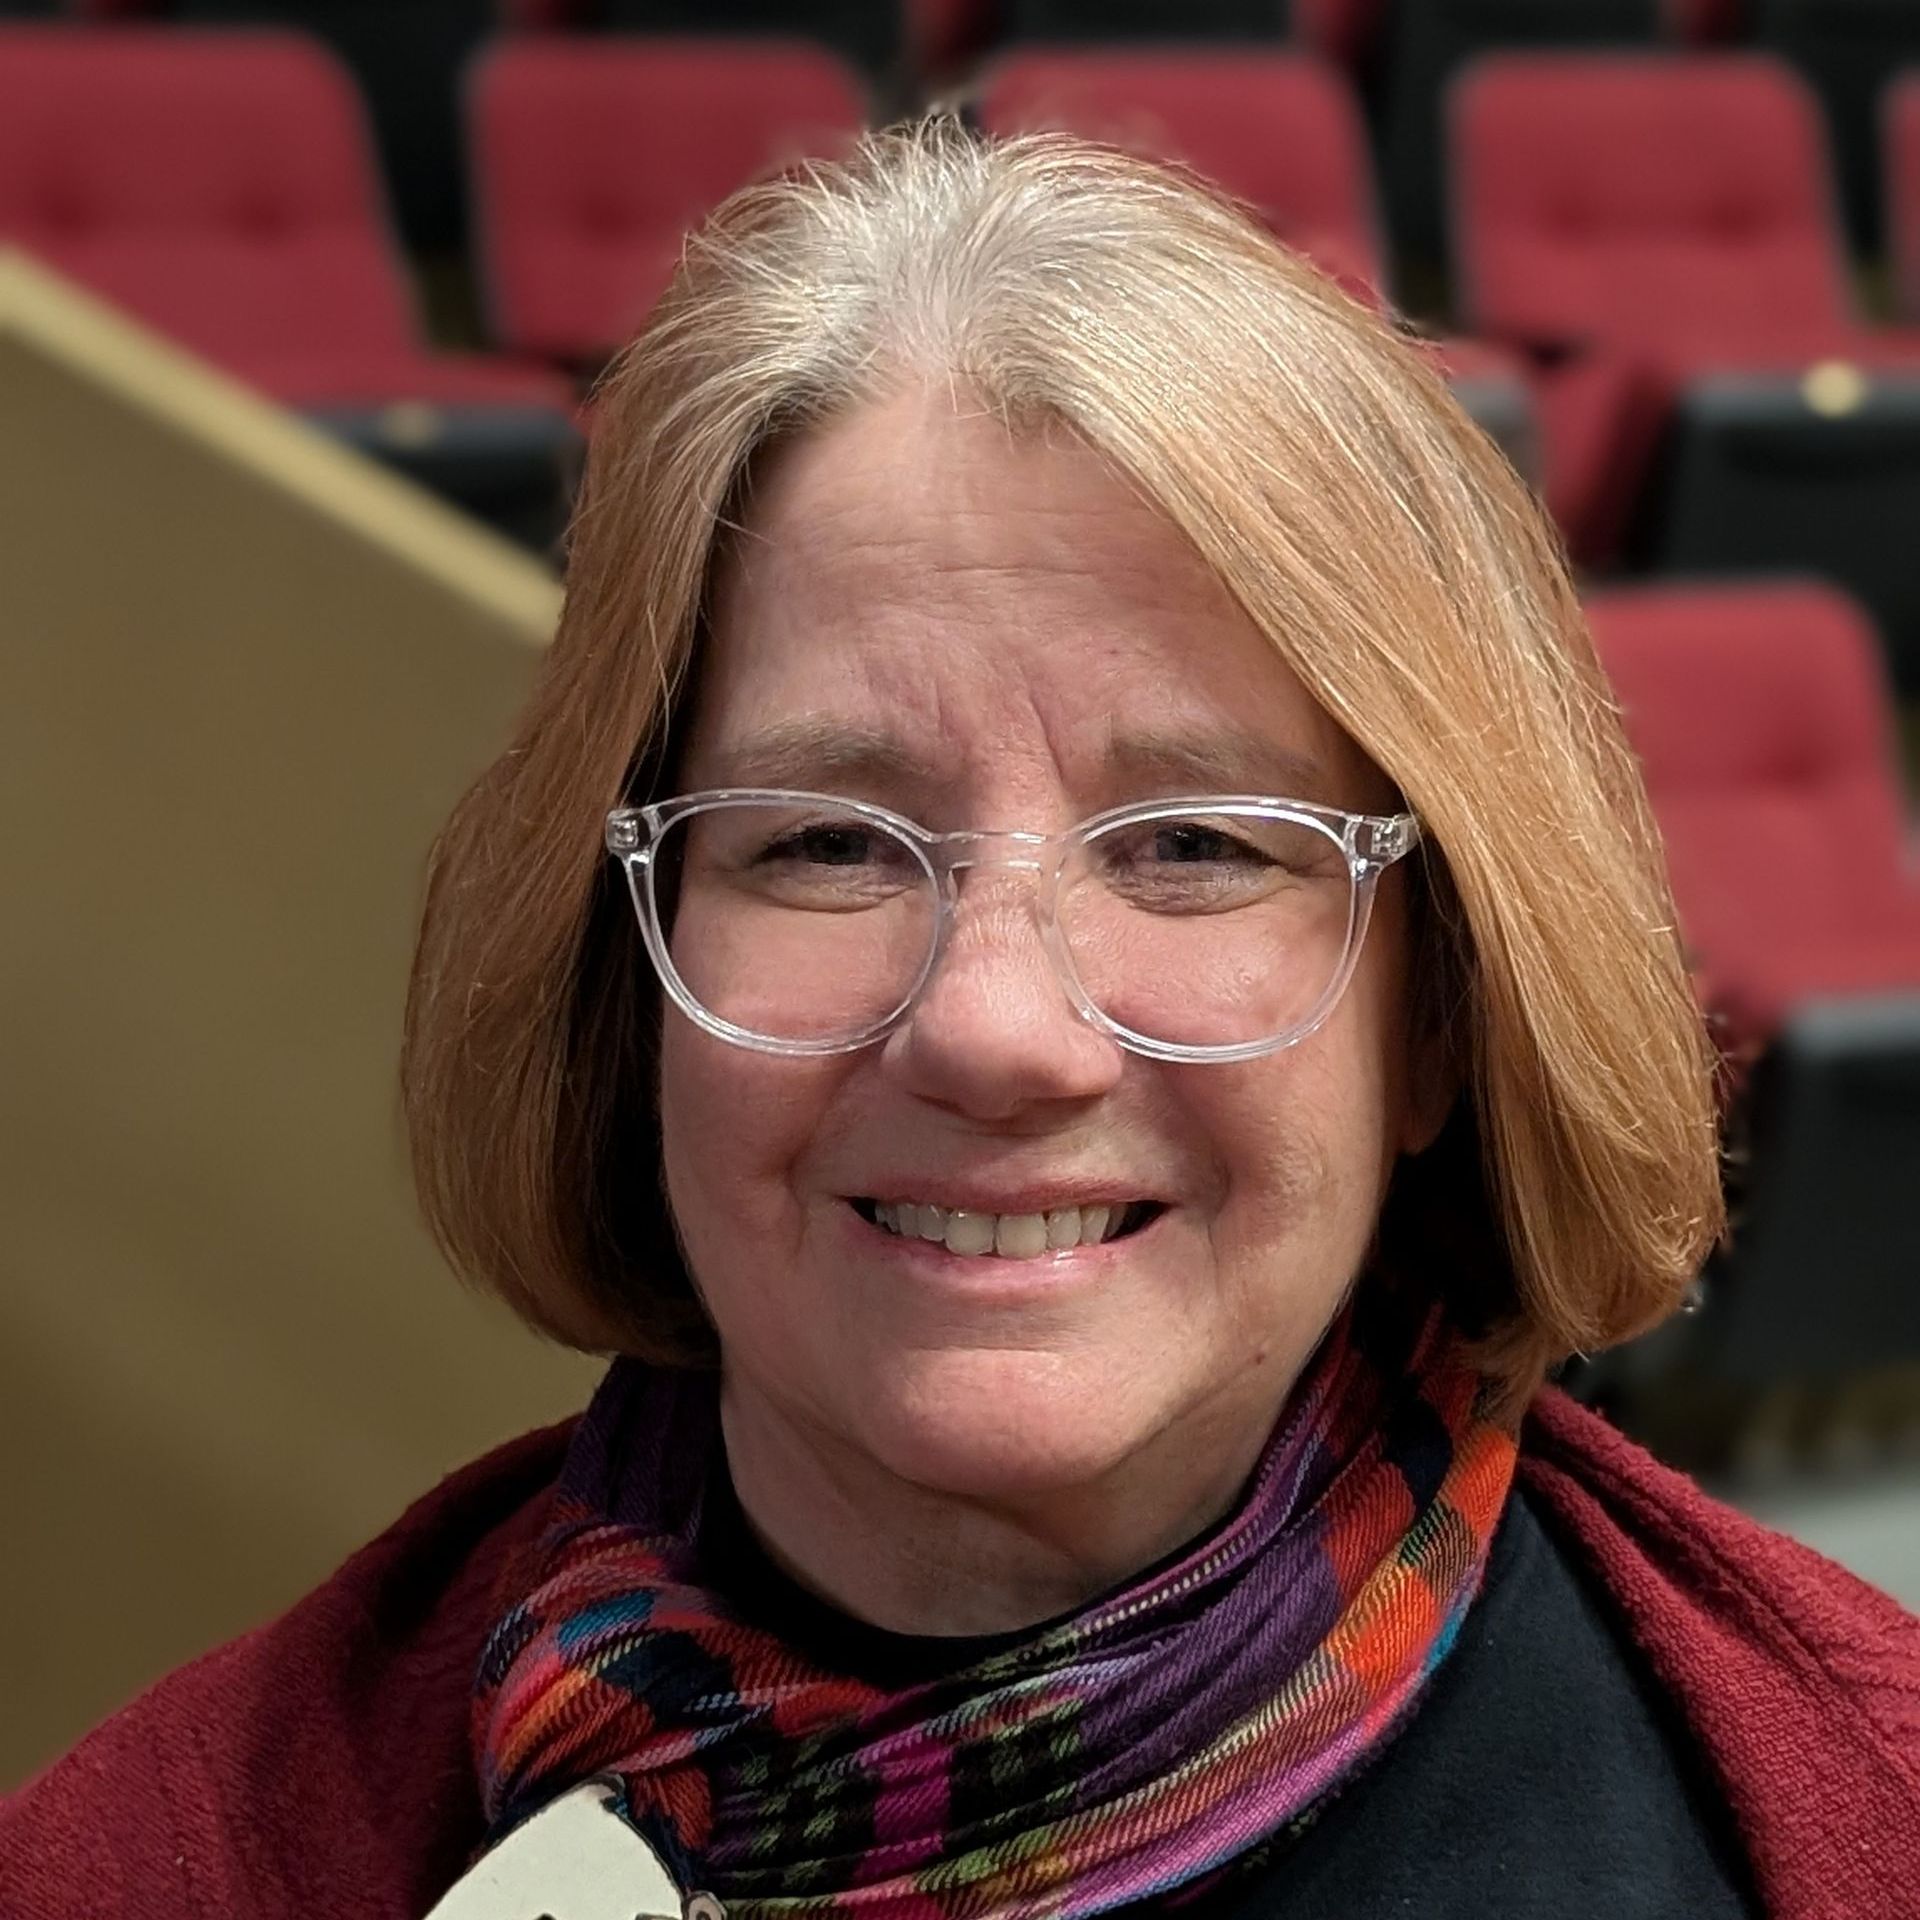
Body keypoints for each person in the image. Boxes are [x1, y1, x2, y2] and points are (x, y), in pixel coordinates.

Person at [5, 121, 1917, 1920]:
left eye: (1191, 843)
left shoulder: (1837, 1814)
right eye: (829, 843)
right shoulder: (147, 1861)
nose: (1000, 1032)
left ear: (1437, 1020)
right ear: (633, 958)